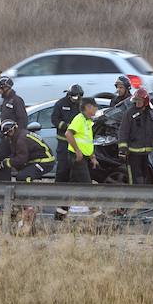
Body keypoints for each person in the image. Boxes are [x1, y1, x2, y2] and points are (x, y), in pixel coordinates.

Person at [118, 88, 153, 185]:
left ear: (145, 102)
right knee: (134, 178)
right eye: (136, 100)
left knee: (145, 176)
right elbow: (123, 132)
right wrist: (122, 150)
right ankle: (134, 197)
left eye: (139, 100)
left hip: (147, 154)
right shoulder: (129, 114)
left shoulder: (151, 115)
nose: (137, 102)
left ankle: (143, 197)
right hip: (133, 153)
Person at [52, 84, 83, 220]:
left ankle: (73, 209)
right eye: (75, 97)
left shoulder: (81, 104)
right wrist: (67, 126)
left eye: (79, 97)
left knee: (76, 177)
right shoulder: (60, 104)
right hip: (64, 145)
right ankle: (60, 212)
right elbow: (54, 120)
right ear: (69, 95)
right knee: (62, 175)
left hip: (76, 145)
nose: (77, 99)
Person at [65, 97, 99, 183]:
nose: (97, 109)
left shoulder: (88, 121)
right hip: (77, 156)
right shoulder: (79, 119)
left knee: (75, 182)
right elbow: (68, 134)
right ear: (88, 107)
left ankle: (70, 196)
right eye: (95, 107)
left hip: (83, 156)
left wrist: (92, 157)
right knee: (86, 183)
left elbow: (87, 142)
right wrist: (77, 151)